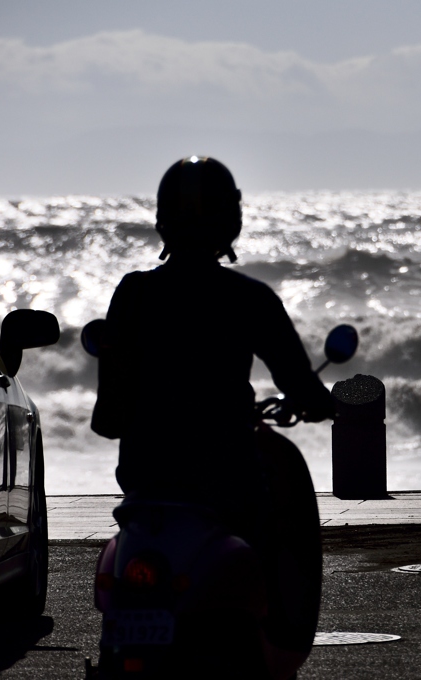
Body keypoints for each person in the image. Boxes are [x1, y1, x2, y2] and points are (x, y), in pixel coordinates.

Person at [91, 155, 335, 532]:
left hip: (145, 477)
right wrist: (324, 404)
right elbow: (297, 380)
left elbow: (108, 413)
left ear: (163, 220)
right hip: (227, 478)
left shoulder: (133, 293)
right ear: (230, 220)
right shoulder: (250, 297)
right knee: (273, 541)